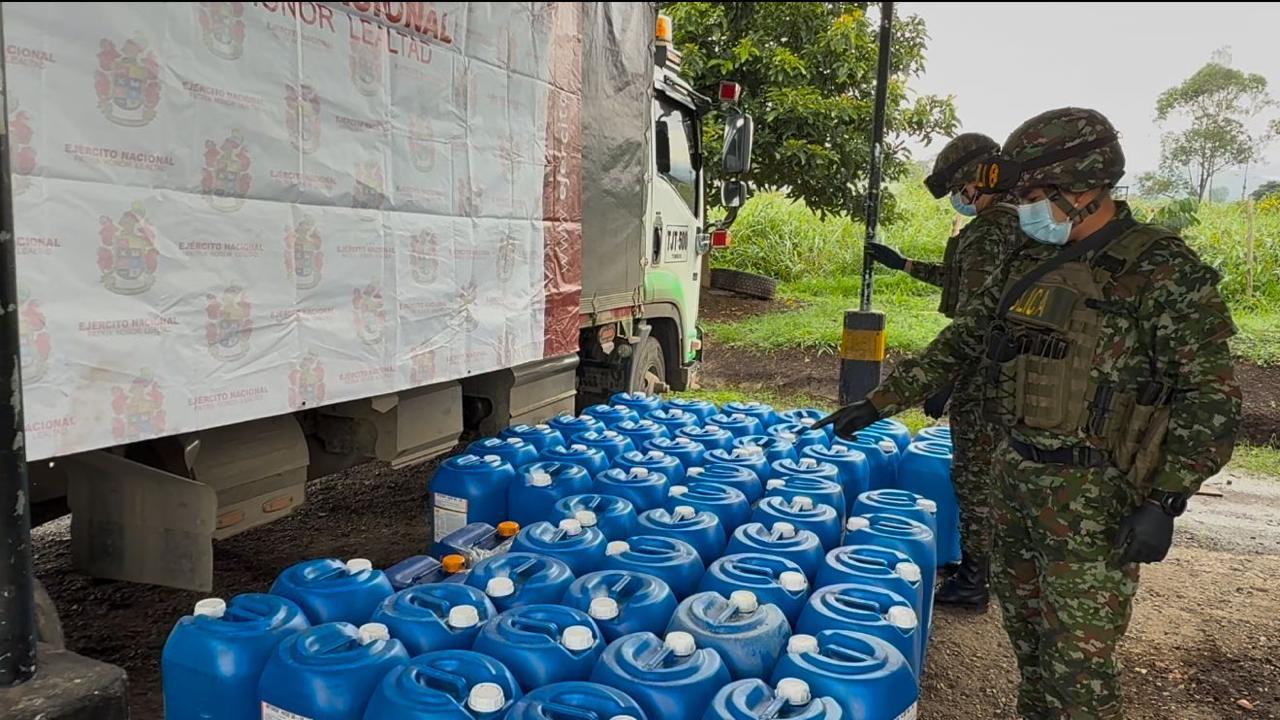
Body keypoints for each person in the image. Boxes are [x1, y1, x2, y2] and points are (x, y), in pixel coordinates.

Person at [818, 107, 1242, 719]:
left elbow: (1211, 397)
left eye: (1037, 194)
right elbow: (965, 339)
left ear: (1083, 187)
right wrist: (880, 402)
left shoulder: (1161, 272)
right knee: (1032, 651)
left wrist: (1165, 499)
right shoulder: (1027, 261)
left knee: (1080, 672)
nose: (1026, 207)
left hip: (1097, 496)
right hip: (1016, 480)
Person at [864, 132, 1027, 611]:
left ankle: (975, 581)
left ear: (978, 180)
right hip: (1004, 369)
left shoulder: (991, 228)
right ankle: (982, 562)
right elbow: (961, 281)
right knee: (990, 473)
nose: (961, 197)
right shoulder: (1014, 227)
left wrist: (946, 378)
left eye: (961, 187)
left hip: (982, 373)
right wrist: (905, 264)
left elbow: (979, 315)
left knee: (975, 476)